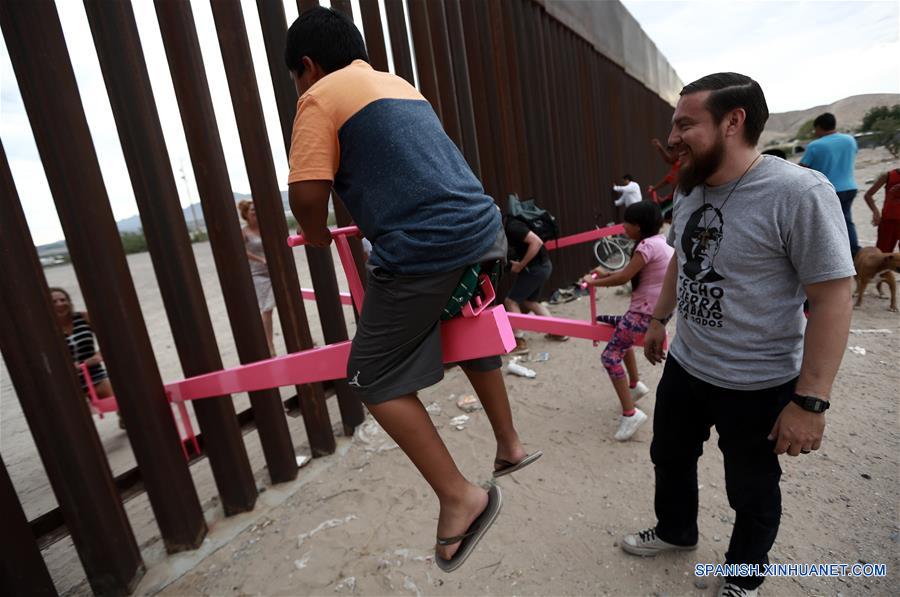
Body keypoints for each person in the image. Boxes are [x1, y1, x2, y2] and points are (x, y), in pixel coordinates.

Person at [284, 7, 539, 572]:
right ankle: (509, 444)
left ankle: (459, 498)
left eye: (296, 77)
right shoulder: (401, 86)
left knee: (368, 376)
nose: (299, 87)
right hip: (485, 231)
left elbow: (306, 196)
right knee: (466, 327)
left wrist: (317, 236)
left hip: (428, 247)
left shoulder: (319, 96)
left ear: (306, 66)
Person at [625, 73, 854, 597]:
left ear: (734, 121)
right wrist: (660, 319)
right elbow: (682, 257)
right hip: (688, 365)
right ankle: (677, 531)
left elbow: (832, 298)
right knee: (671, 457)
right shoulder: (689, 185)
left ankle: (742, 577)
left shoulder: (799, 192)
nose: (675, 136)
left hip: (758, 382)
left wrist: (811, 401)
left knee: (750, 490)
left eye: (686, 124)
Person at [582, 201, 673, 441]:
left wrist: (593, 283)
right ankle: (634, 385)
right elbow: (629, 272)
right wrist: (604, 273)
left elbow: (623, 277)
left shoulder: (644, 246)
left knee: (609, 357)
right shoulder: (660, 243)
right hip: (655, 313)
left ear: (638, 226)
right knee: (615, 327)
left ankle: (630, 413)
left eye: (627, 222)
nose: (623, 226)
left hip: (644, 314)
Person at [51, 287, 123, 428]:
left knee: (118, 401)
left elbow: (108, 337)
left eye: (63, 300)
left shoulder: (83, 317)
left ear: (69, 302)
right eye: (54, 301)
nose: (60, 304)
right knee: (74, 417)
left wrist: (99, 355)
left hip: (93, 371)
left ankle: (125, 420)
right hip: (66, 379)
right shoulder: (45, 327)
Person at [504, 215, 568, 353]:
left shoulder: (513, 226)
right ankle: (557, 331)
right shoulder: (512, 224)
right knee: (530, 301)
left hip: (536, 268)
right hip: (542, 266)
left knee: (511, 301)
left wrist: (521, 265)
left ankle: (519, 341)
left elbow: (537, 242)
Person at [800, 112, 860, 256]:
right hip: (850, 186)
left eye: (815, 129)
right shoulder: (850, 140)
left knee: (828, 223)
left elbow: (802, 168)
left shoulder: (815, 146)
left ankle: (835, 254)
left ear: (819, 127)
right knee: (846, 219)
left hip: (828, 189)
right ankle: (854, 251)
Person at [239, 199, 276, 356]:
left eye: (256, 210)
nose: (255, 213)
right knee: (267, 308)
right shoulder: (244, 231)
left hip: (273, 271)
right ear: (246, 214)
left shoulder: (265, 227)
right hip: (258, 274)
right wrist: (260, 259)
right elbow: (241, 251)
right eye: (252, 210)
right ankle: (269, 345)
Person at [863, 167, 900, 253]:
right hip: (888, 221)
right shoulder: (889, 176)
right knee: (882, 254)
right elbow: (868, 195)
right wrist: (875, 212)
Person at [648, 138, 680, 218]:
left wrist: (654, 188)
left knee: (661, 215)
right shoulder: (677, 163)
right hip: (675, 196)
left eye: (672, 153)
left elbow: (668, 180)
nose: (670, 155)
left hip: (679, 197)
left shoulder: (680, 164)